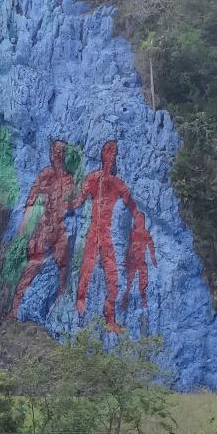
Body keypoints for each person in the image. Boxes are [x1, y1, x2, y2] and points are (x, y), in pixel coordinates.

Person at [74, 140, 144, 334]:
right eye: (107, 150)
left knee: (112, 276)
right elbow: (78, 202)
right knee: (86, 273)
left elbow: (134, 208)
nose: (110, 155)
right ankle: (78, 311)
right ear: (102, 154)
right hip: (92, 235)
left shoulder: (118, 183)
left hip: (107, 236)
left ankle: (110, 318)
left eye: (113, 151)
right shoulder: (92, 178)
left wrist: (138, 225)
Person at [9, 139, 79, 313]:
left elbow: (71, 206)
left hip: (60, 231)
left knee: (63, 270)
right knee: (32, 267)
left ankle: (60, 308)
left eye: (61, 152)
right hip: (43, 230)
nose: (57, 155)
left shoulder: (69, 180)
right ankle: (15, 308)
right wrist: (24, 228)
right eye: (55, 151)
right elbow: (31, 201)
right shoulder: (45, 175)